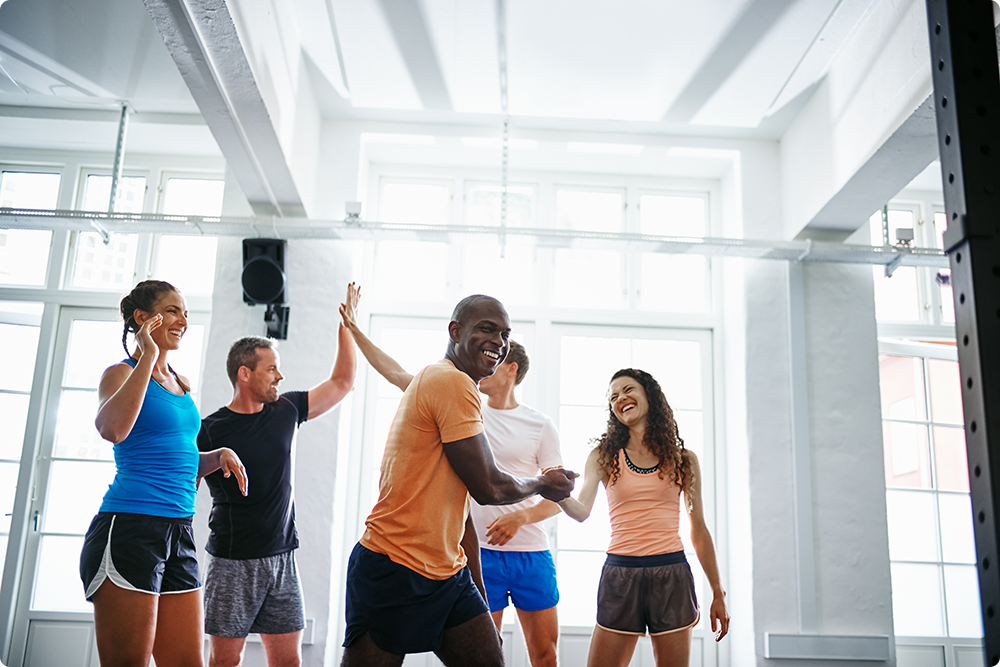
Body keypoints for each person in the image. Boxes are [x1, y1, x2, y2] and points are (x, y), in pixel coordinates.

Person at [338, 292, 577, 667]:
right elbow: (489, 487)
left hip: (448, 573)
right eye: (487, 329)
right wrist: (543, 484)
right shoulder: (451, 382)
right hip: (395, 566)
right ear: (455, 331)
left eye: (505, 334)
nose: (499, 341)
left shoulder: (452, 387)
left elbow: (464, 510)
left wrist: (479, 602)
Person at [80, 279, 248, 667]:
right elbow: (113, 430)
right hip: (131, 528)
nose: (182, 320)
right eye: (172, 310)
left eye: (185, 313)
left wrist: (216, 455)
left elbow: (178, 457)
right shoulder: (119, 374)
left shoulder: (181, 385)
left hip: (180, 531)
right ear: (143, 318)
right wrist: (148, 355)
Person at [197, 288, 358, 667]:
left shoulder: (285, 410)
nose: (280, 376)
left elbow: (342, 383)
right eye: (272, 369)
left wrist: (346, 326)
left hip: (282, 559)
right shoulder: (209, 430)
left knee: (288, 662)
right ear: (244, 373)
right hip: (231, 563)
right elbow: (184, 476)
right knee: (225, 661)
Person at [559, 368, 729, 667]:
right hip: (621, 574)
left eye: (628, 390)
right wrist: (556, 493)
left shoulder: (683, 459)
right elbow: (581, 511)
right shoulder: (603, 456)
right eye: (613, 396)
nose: (620, 398)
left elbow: (699, 530)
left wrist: (718, 592)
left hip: (671, 573)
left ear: (648, 394)